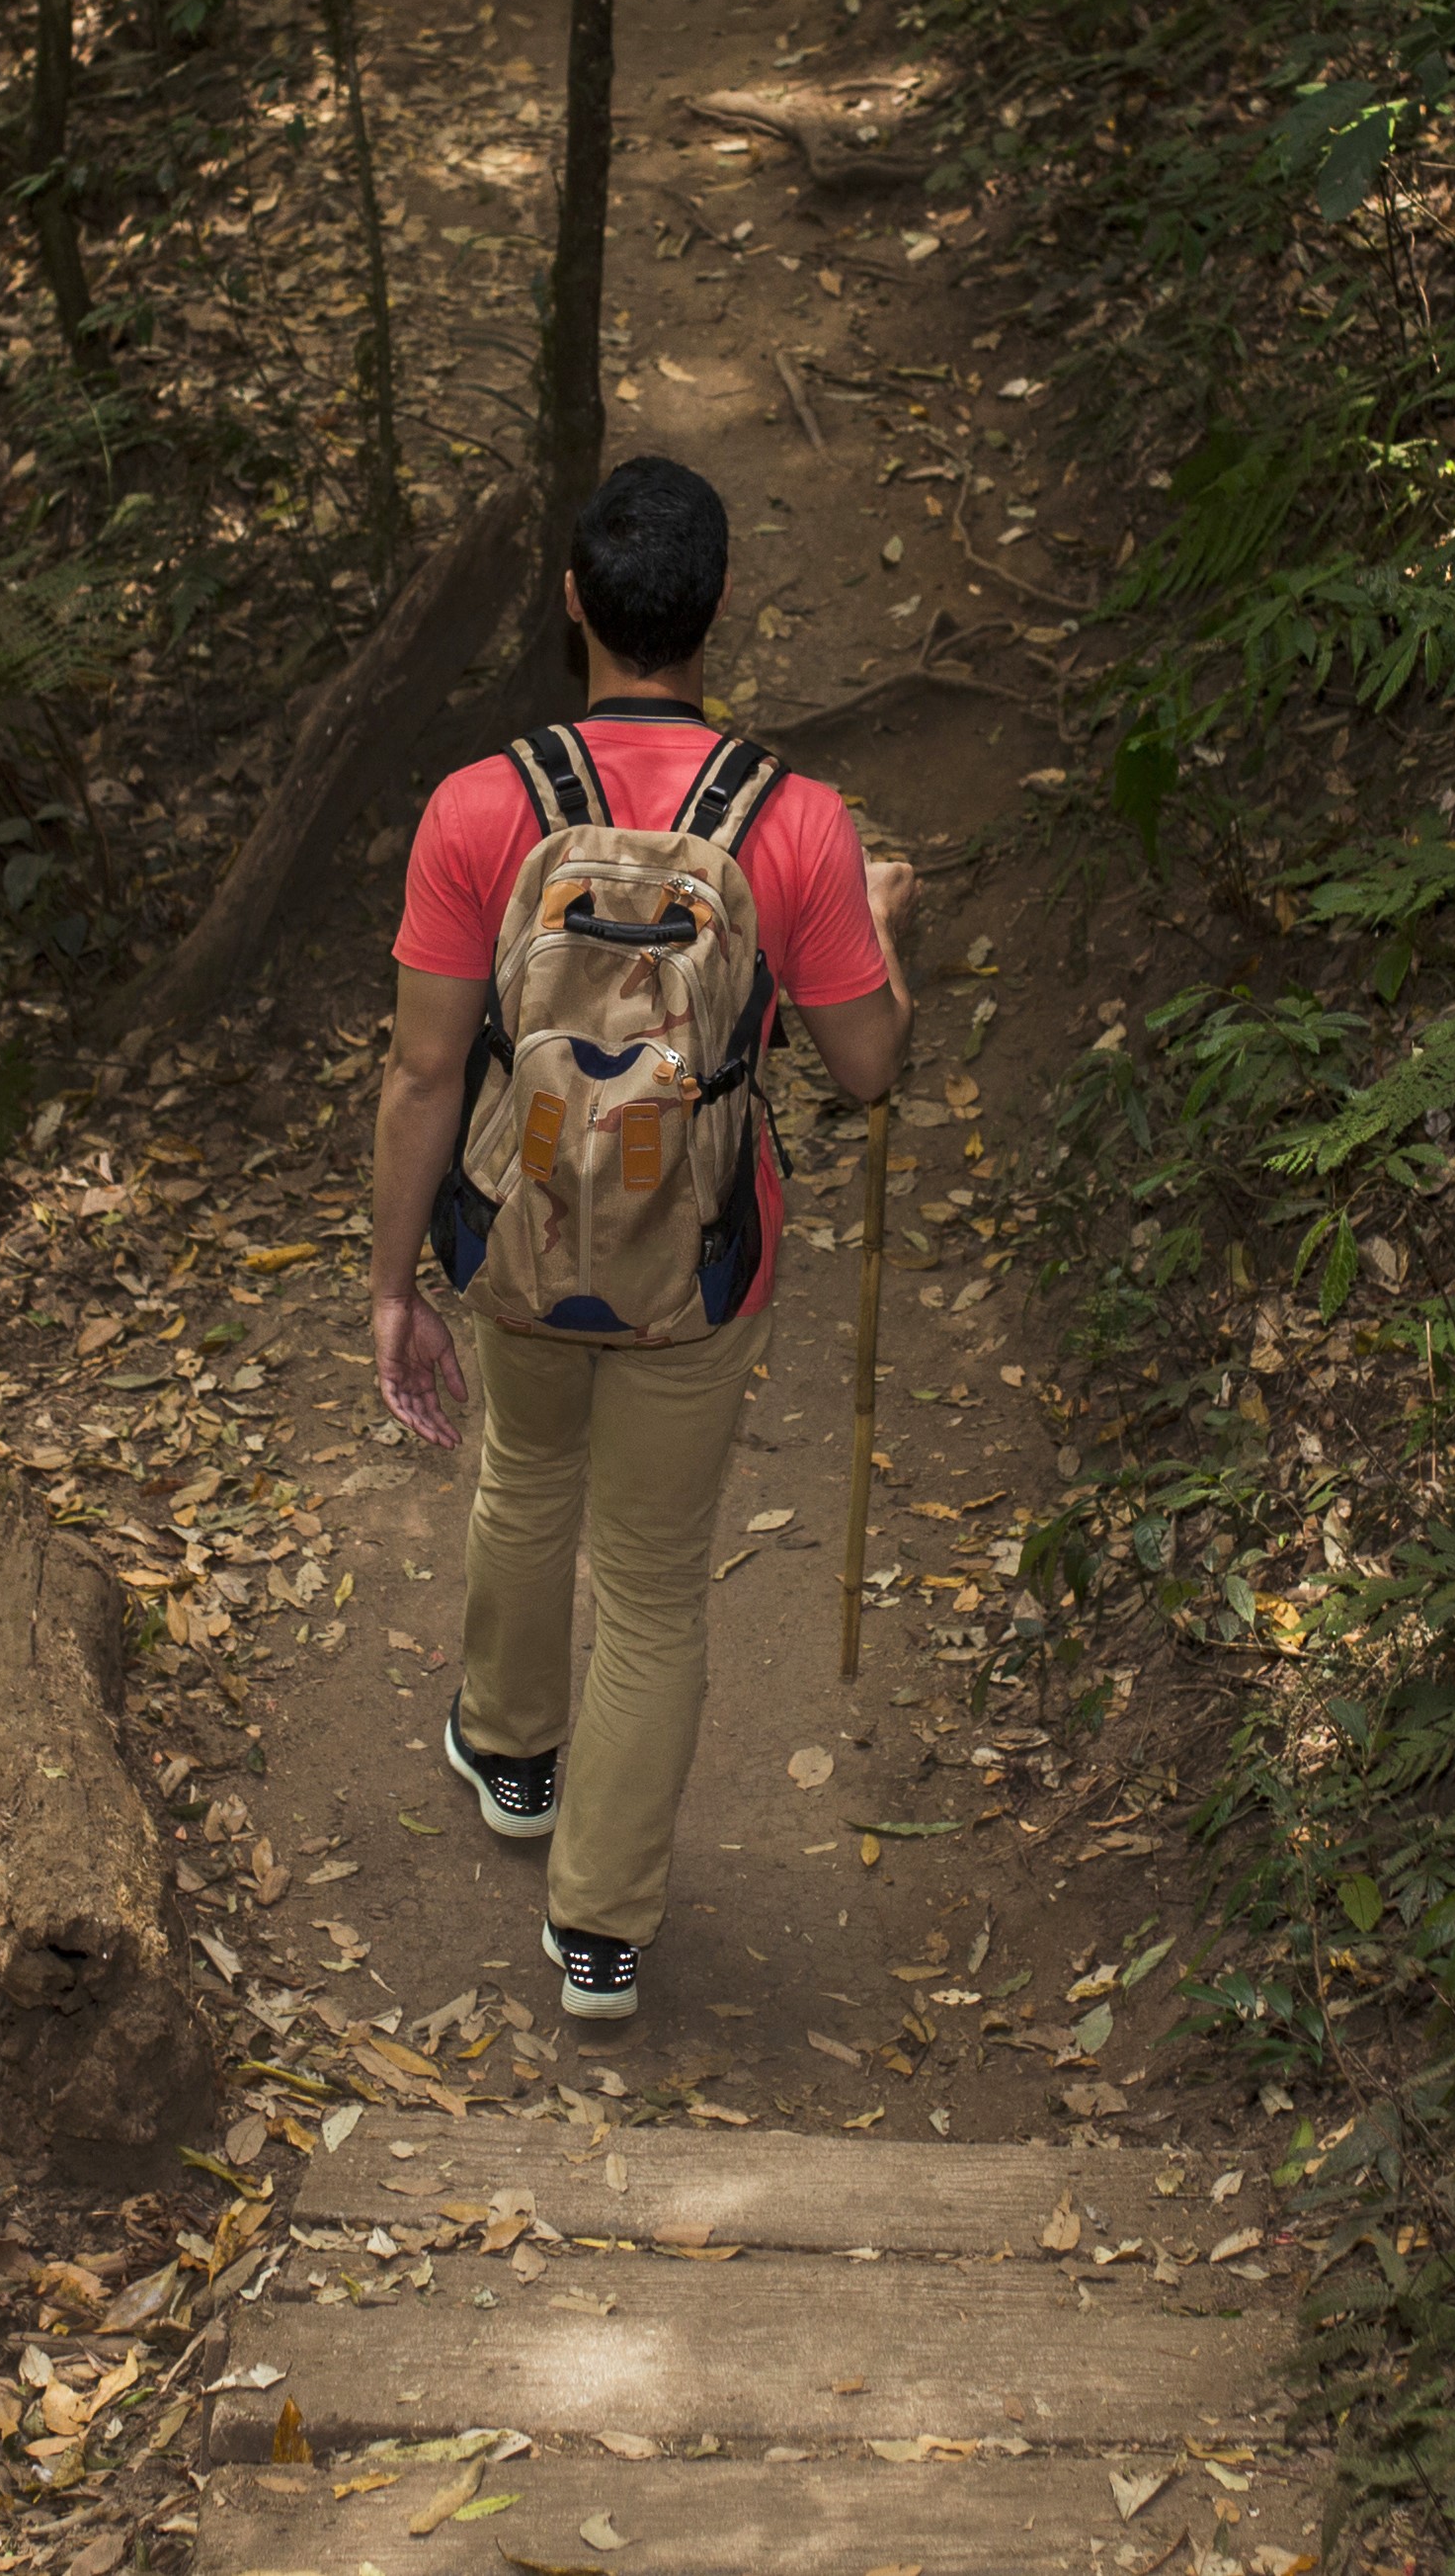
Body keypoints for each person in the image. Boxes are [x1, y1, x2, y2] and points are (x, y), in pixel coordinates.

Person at [367, 456, 917, 2018]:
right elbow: (868, 1065)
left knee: (525, 1475)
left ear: (570, 605)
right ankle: (599, 1931)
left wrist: (392, 1284)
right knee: (658, 1583)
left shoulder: (481, 808)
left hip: (517, 1229)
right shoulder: (797, 825)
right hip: (704, 1260)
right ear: (719, 606)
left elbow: (422, 1071)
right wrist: (879, 919)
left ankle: (509, 1752)